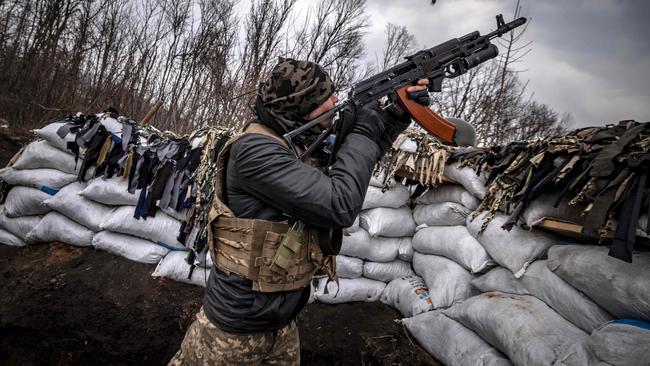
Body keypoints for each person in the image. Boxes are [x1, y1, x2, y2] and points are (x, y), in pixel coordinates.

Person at [169, 58, 430, 366]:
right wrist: (363, 127)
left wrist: (394, 117)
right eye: (325, 98)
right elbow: (339, 204)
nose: (335, 101)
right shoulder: (255, 149)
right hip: (231, 337)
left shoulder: (296, 143)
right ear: (299, 105)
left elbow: (357, 159)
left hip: (282, 328)